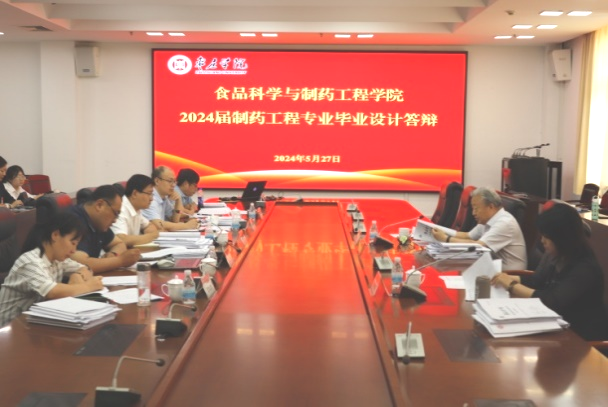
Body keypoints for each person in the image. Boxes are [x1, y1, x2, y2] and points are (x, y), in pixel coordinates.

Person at [492, 203, 608, 341]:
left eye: (546, 237)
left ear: (562, 238)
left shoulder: (585, 269)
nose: (542, 241)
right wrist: (509, 278)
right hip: (555, 327)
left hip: (580, 339)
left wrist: (511, 285)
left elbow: (552, 301)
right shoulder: (558, 255)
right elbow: (537, 280)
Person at [0, 211, 104, 327]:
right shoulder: (30, 261)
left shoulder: (58, 259)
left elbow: (85, 269)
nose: (74, 250)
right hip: (7, 329)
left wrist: (76, 275)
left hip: (30, 324)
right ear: (55, 235)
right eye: (73, 243)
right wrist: (88, 286)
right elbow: (52, 292)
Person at [432, 187, 527, 270]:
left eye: (476, 208)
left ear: (490, 207)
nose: (473, 213)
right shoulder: (487, 220)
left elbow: (478, 246)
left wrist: (446, 238)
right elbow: (467, 236)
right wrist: (440, 230)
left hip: (510, 276)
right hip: (492, 268)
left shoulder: (504, 223)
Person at [69, 185, 141, 273]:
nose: (115, 220)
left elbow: (119, 243)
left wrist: (112, 254)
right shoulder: (73, 221)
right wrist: (120, 261)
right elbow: (81, 264)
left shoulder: (98, 221)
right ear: (99, 205)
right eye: (115, 213)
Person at [142, 166, 199, 231]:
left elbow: (174, 220)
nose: (173, 185)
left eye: (174, 182)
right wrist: (186, 226)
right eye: (170, 181)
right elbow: (159, 224)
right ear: (157, 181)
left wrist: (178, 200)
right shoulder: (150, 199)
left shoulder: (164, 198)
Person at [111, 174, 159, 247]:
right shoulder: (121, 209)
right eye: (149, 194)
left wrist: (148, 234)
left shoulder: (136, 208)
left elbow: (149, 225)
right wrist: (151, 236)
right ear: (135, 194)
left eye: (152, 194)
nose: (151, 199)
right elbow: (121, 239)